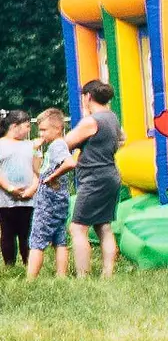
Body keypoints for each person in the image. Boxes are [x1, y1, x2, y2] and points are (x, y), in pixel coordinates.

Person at [63, 80, 124, 278]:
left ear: (88, 96)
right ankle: (107, 274)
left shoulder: (91, 121)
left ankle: (83, 275)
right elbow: (123, 138)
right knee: (103, 225)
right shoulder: (112, 117)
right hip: (110, 175)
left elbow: (67, 142)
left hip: (94, 178)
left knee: (77, 227)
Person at [27, 108, 75, 279]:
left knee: (37, 239)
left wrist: (52, 177)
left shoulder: (58, 145)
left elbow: (70, 163)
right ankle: (61, 276)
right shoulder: (52, 147)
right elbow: (39, 172)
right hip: (57, 198)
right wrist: (34, 152)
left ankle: (30, 279)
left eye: (44, 130)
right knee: (59, 238)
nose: (41, 133)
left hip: (50, 200)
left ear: (58, 128)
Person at [0, 110, 37, 266]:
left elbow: (37, 171)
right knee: (7, 232)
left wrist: (32, 189)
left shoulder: (30, 146)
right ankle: (10, 264)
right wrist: (9, 188)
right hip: (5, 199)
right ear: (14, 126)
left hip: (28, 199)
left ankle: (29, 263)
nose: (29, 130)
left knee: (26, 233)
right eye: (27, 126)